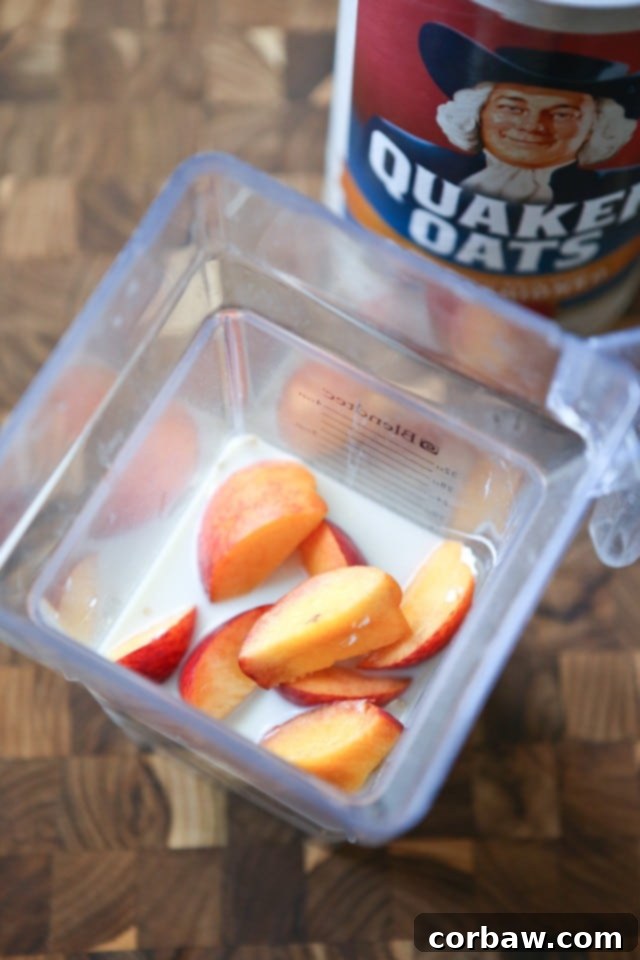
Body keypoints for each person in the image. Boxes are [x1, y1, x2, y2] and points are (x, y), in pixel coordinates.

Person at [369, 23, 640, 204]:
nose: (532, 126)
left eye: (561, 114)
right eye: (512, 107)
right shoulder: (399, 153)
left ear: (597, 126)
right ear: (477, 112)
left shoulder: (615, 190)